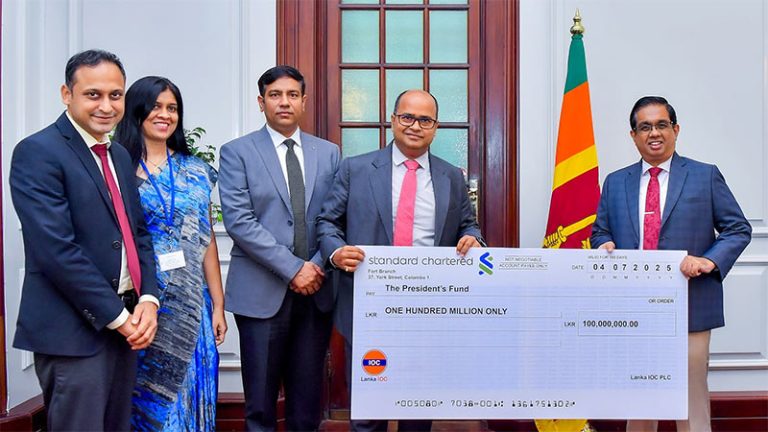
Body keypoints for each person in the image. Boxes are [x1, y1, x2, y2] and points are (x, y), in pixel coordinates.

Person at [9, 49, 160, 431]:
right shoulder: (38, 152)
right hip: (73, 334)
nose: (106, 106)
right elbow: (56, 251)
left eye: (115, 95)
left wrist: (148, 298)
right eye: (94, 94)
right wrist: (120, 319)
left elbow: (138, 233)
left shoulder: (119, 155)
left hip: (126, 324)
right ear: (67, 94)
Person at [317, 89, 484, 432]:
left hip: (428, 308)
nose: (415, 126)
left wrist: (474, 240)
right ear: (393, 120)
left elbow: (469, 225)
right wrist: (336, 252)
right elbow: (327, 222)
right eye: (407, 117)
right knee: (368, 410)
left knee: (417, 408)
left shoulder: (451, 176)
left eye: (425, 120)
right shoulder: (356, 169)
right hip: (368, 304)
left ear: (436, 128)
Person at [591, 96, 752, 432]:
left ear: (676, 130)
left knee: (690, 400)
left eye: (662, 125)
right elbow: (601, 231)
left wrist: (708, 260)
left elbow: (738, 229)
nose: (654, 133)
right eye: (645, 127)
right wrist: (603, 244)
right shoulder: (615, 182)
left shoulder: (704, 176)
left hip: (691, 304)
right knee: (640, 398)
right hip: (634, 308)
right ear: (633, 135)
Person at [218, 65, 340, 431]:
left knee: (307, 406)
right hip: (260, 293)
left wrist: (314, 266)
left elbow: (335, 217)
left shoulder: (328, 153)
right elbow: (240, 222)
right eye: (275, 95)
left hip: (316, 290)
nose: (284, 102)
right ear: (262, 102)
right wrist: (294, 268)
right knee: (260, 406)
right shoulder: (237, 152)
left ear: (304, 101)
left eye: (292, 95)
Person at [113, 76, 227, 430]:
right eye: (156, 106)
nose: (165, 115)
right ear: (137, 111)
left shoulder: (196, 171)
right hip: (142, 303)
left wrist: (218, 304)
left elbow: (207, 239)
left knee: (191, 394)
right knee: (147, 401)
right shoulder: (117, 170)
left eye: (172, 108)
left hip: (192, 303)